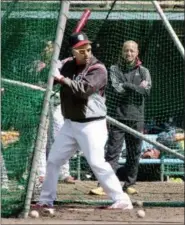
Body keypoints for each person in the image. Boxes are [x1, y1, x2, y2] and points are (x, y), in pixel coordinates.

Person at [33, 32, 133, 215]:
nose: (87, 53)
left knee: (96, 163)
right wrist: (51, 68)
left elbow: (82, 90)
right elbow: (47, 79)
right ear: (73, 52)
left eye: (88, 49)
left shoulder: (98, 69)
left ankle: (121, 200)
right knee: (54, 160)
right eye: (81, 50)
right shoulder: (68, 65)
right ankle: (46, 200)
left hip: (92, 125)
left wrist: (61, 78)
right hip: (70, 124)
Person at [90, 40, 152, 196]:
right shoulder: (114, 69)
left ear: (137, 52)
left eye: (132, 51)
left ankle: (129, 184)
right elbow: (118, 90)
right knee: (112, 152)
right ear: (122, 52)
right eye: (126, 50)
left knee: (134, 152)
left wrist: (128, 86)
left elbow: (146, 92)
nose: (129, 53)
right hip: (118, 117)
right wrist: (136, 87)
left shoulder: (144, 71)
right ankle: (104, 185)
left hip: (137, 118)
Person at [35, 41, 75, 185]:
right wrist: (45, 70)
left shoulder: (60, 63)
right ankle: (41, 173)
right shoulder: (36, 65)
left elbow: (60, 78)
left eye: (52, 48)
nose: (49, 50)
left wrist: (56, 71)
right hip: (40, 104)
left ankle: (63, 172)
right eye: (46, 47)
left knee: (59, 135)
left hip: (57, 103)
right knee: (41, 137)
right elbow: (36, 79)